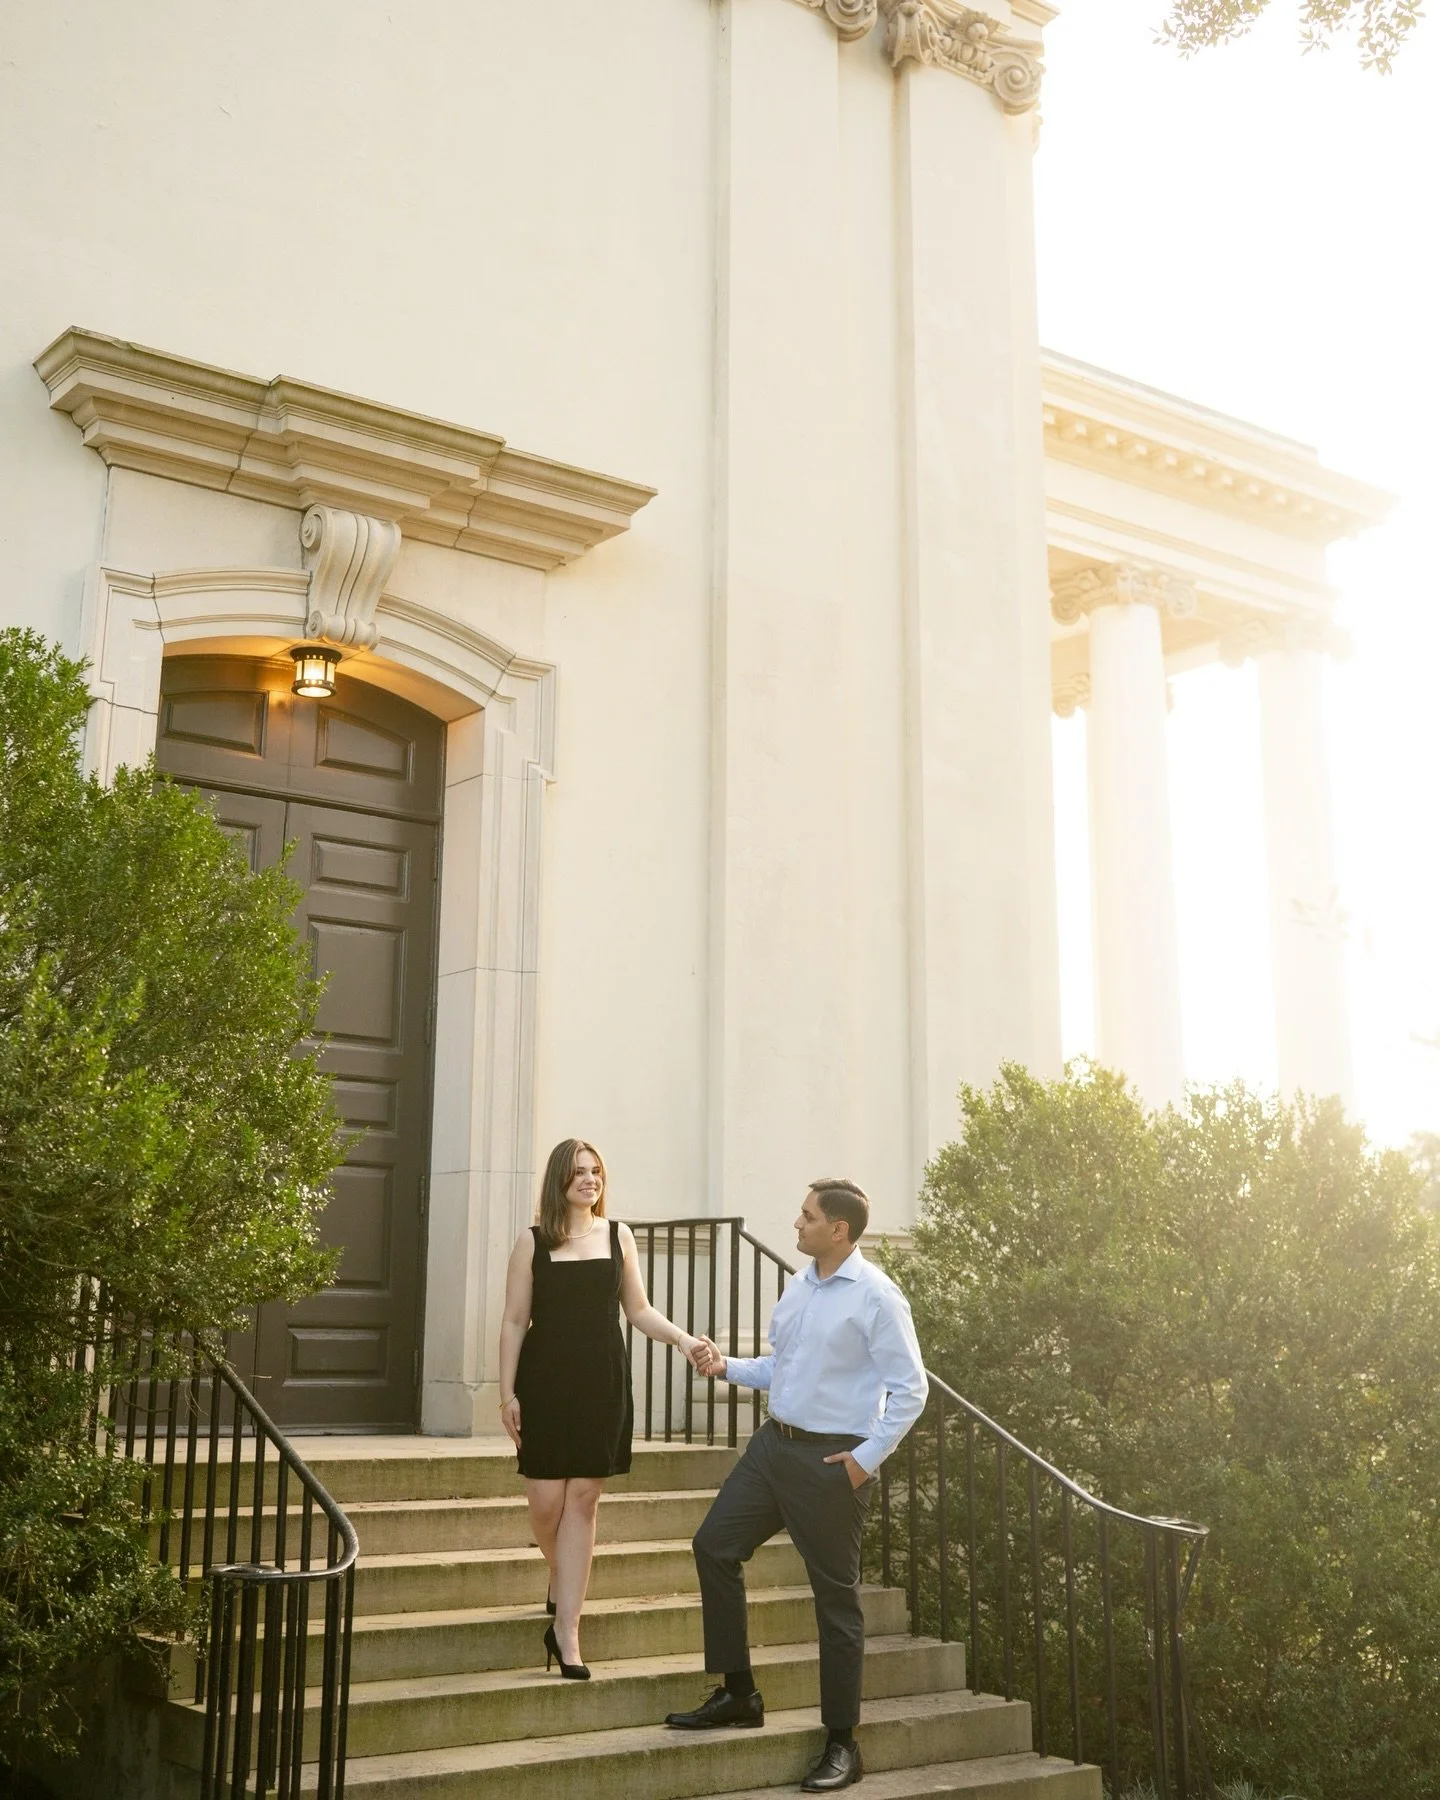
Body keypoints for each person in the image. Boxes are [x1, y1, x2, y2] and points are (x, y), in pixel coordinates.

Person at [665, 1178, 928, 1793]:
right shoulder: (802, 1284)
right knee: (714, 1547)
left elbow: (912, 1388)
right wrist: (726, 1366)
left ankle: (842, 1743)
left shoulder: (877, 1297)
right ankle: (738, 1693)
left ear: (839, 1230)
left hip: (831, 1464)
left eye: (807, 1216)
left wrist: (866, 1459)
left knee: (836, 1603)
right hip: (771, 1448)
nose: (796, 1223)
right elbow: (782, 1367)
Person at [497, 1137, 710, 1679]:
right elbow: (513, 1320)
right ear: (559, 1181)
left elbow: (637, 1309)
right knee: (546, 1504)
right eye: (578, 1172)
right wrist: (507, 1394)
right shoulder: (531, 1241)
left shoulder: (619, 1236)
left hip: (601, 1382)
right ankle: (559, 1570)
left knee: (584, 1500)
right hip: (544, 1383)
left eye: (596, 1172)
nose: (589, 1180)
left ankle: (567, 1629)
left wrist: (683, 1341)